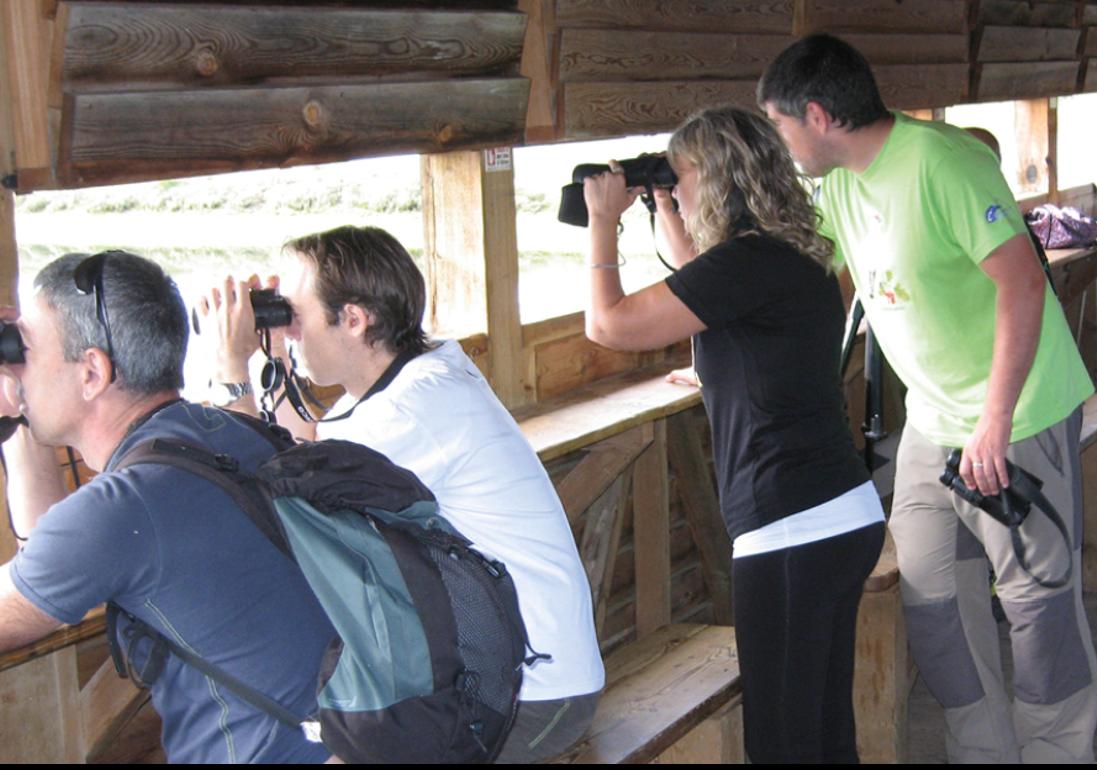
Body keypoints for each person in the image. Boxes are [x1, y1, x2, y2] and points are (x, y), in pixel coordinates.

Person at [759, 34, 1097, 763]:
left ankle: (1056, 755)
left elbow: (1024, 281)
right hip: (932, 424)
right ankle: (984, 753)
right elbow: (790, 266)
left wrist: (995, 423)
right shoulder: (841, 184)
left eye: (780, 126)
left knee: (1039, 608)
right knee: (935, 605)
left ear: (816, 115)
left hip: (1018, 415)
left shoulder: (942, 162)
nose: (782, 144)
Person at [202, 225, 604, 763]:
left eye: (294, 313)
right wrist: (271, 359)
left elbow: (271, 496)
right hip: (516, 677)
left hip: (531, 699)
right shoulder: (427, 372)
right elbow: (307, 456)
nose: (290, 328)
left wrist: (231, 372)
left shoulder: (408, 410)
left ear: (353, 318)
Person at [582, 105, 885, 763]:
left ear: (718, 179)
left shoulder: (744, 267)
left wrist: (602, 224)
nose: (681, 191)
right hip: (836, 512)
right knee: (824, 733)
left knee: (782, 744)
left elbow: (609, 326)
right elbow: (711, 292)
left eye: (683, 177)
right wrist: (666, 207)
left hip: (792, 528)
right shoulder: (789, 256)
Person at [0, 251, 335, 763]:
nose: (15, 363)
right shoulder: (229, 434)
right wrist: (14, 417)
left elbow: (32, 586)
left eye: (23, 346)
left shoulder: (121, 510)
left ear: (92, 371)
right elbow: (52, 550)